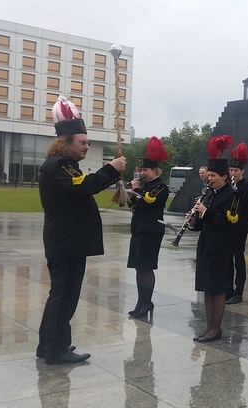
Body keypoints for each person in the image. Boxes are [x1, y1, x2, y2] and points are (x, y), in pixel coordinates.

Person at [37, 96, 126, 364]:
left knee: (62, 296)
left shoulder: (64, 165)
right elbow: (84, 186)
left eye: (88, 142)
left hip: (67, 242)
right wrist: (110, 169)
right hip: (66, 243)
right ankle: (55, 349)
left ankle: (50, 345)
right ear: (66, 143)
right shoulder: (58, 166)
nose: (87, 146)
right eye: (83, 142)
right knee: (64, 297)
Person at [190, 135, 240, 342]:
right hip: (206, 246)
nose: (209, 179)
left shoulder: (232, 195)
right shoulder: (209, 194)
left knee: (218, 290)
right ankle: (209, 326)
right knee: (207, 290)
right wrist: (194, 219)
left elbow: (230, 223)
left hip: (220, 248)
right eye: (208, 175)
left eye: (213, 176)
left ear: (224, 177)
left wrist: (206, 212)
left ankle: (216, 328)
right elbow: (203, 223)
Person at [126, 136, 170, 318]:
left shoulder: (160, 187)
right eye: (141, 170)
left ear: (154, 170)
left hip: (151, 230)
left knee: (146, 268)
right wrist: (130, 194)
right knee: (138, 267)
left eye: (145, 170)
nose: (142, 173)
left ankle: (147, 302)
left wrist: (135, 191)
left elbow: (146, 204)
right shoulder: (146, 186)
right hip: (139, 228)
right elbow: (134, 206)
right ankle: (141, 302)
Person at [225, 142, 248, 304]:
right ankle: (228, 290)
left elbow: (247, 205)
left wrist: (235, 192)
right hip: (227, 226)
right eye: (231, 170)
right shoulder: (227, 185)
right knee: (227, 259)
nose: (233, 173)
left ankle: (239, 291)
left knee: (238, 259)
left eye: (236, 170)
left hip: (240, 227)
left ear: (242, 171)